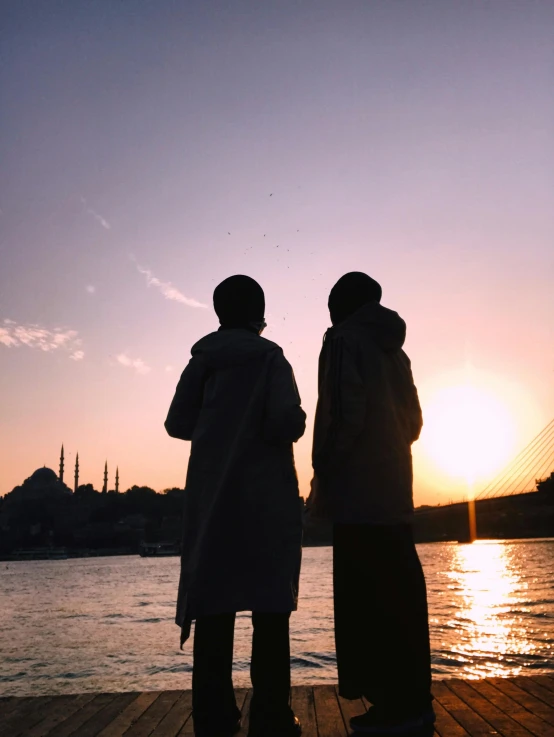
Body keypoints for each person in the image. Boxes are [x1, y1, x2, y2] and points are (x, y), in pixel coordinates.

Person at [165, 275, 305, 737]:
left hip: (213, 504)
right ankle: (271, 716)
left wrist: (217, 427)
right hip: (265, 504)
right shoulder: (271, 360)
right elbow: (287, 420)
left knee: (215, 611)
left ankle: (214, 717)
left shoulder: (203, 361)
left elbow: (176, 422)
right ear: (258, 313)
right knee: (269, 613)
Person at [308, 272, 434, 735]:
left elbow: (343, 414)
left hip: (359, 497)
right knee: (402, 597)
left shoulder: (344, 341)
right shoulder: (395, 351)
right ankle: (414, 702)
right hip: (396, 493)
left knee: (368, 602)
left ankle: (389, 707)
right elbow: (415, 422)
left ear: (340, 307)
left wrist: (324, 474)